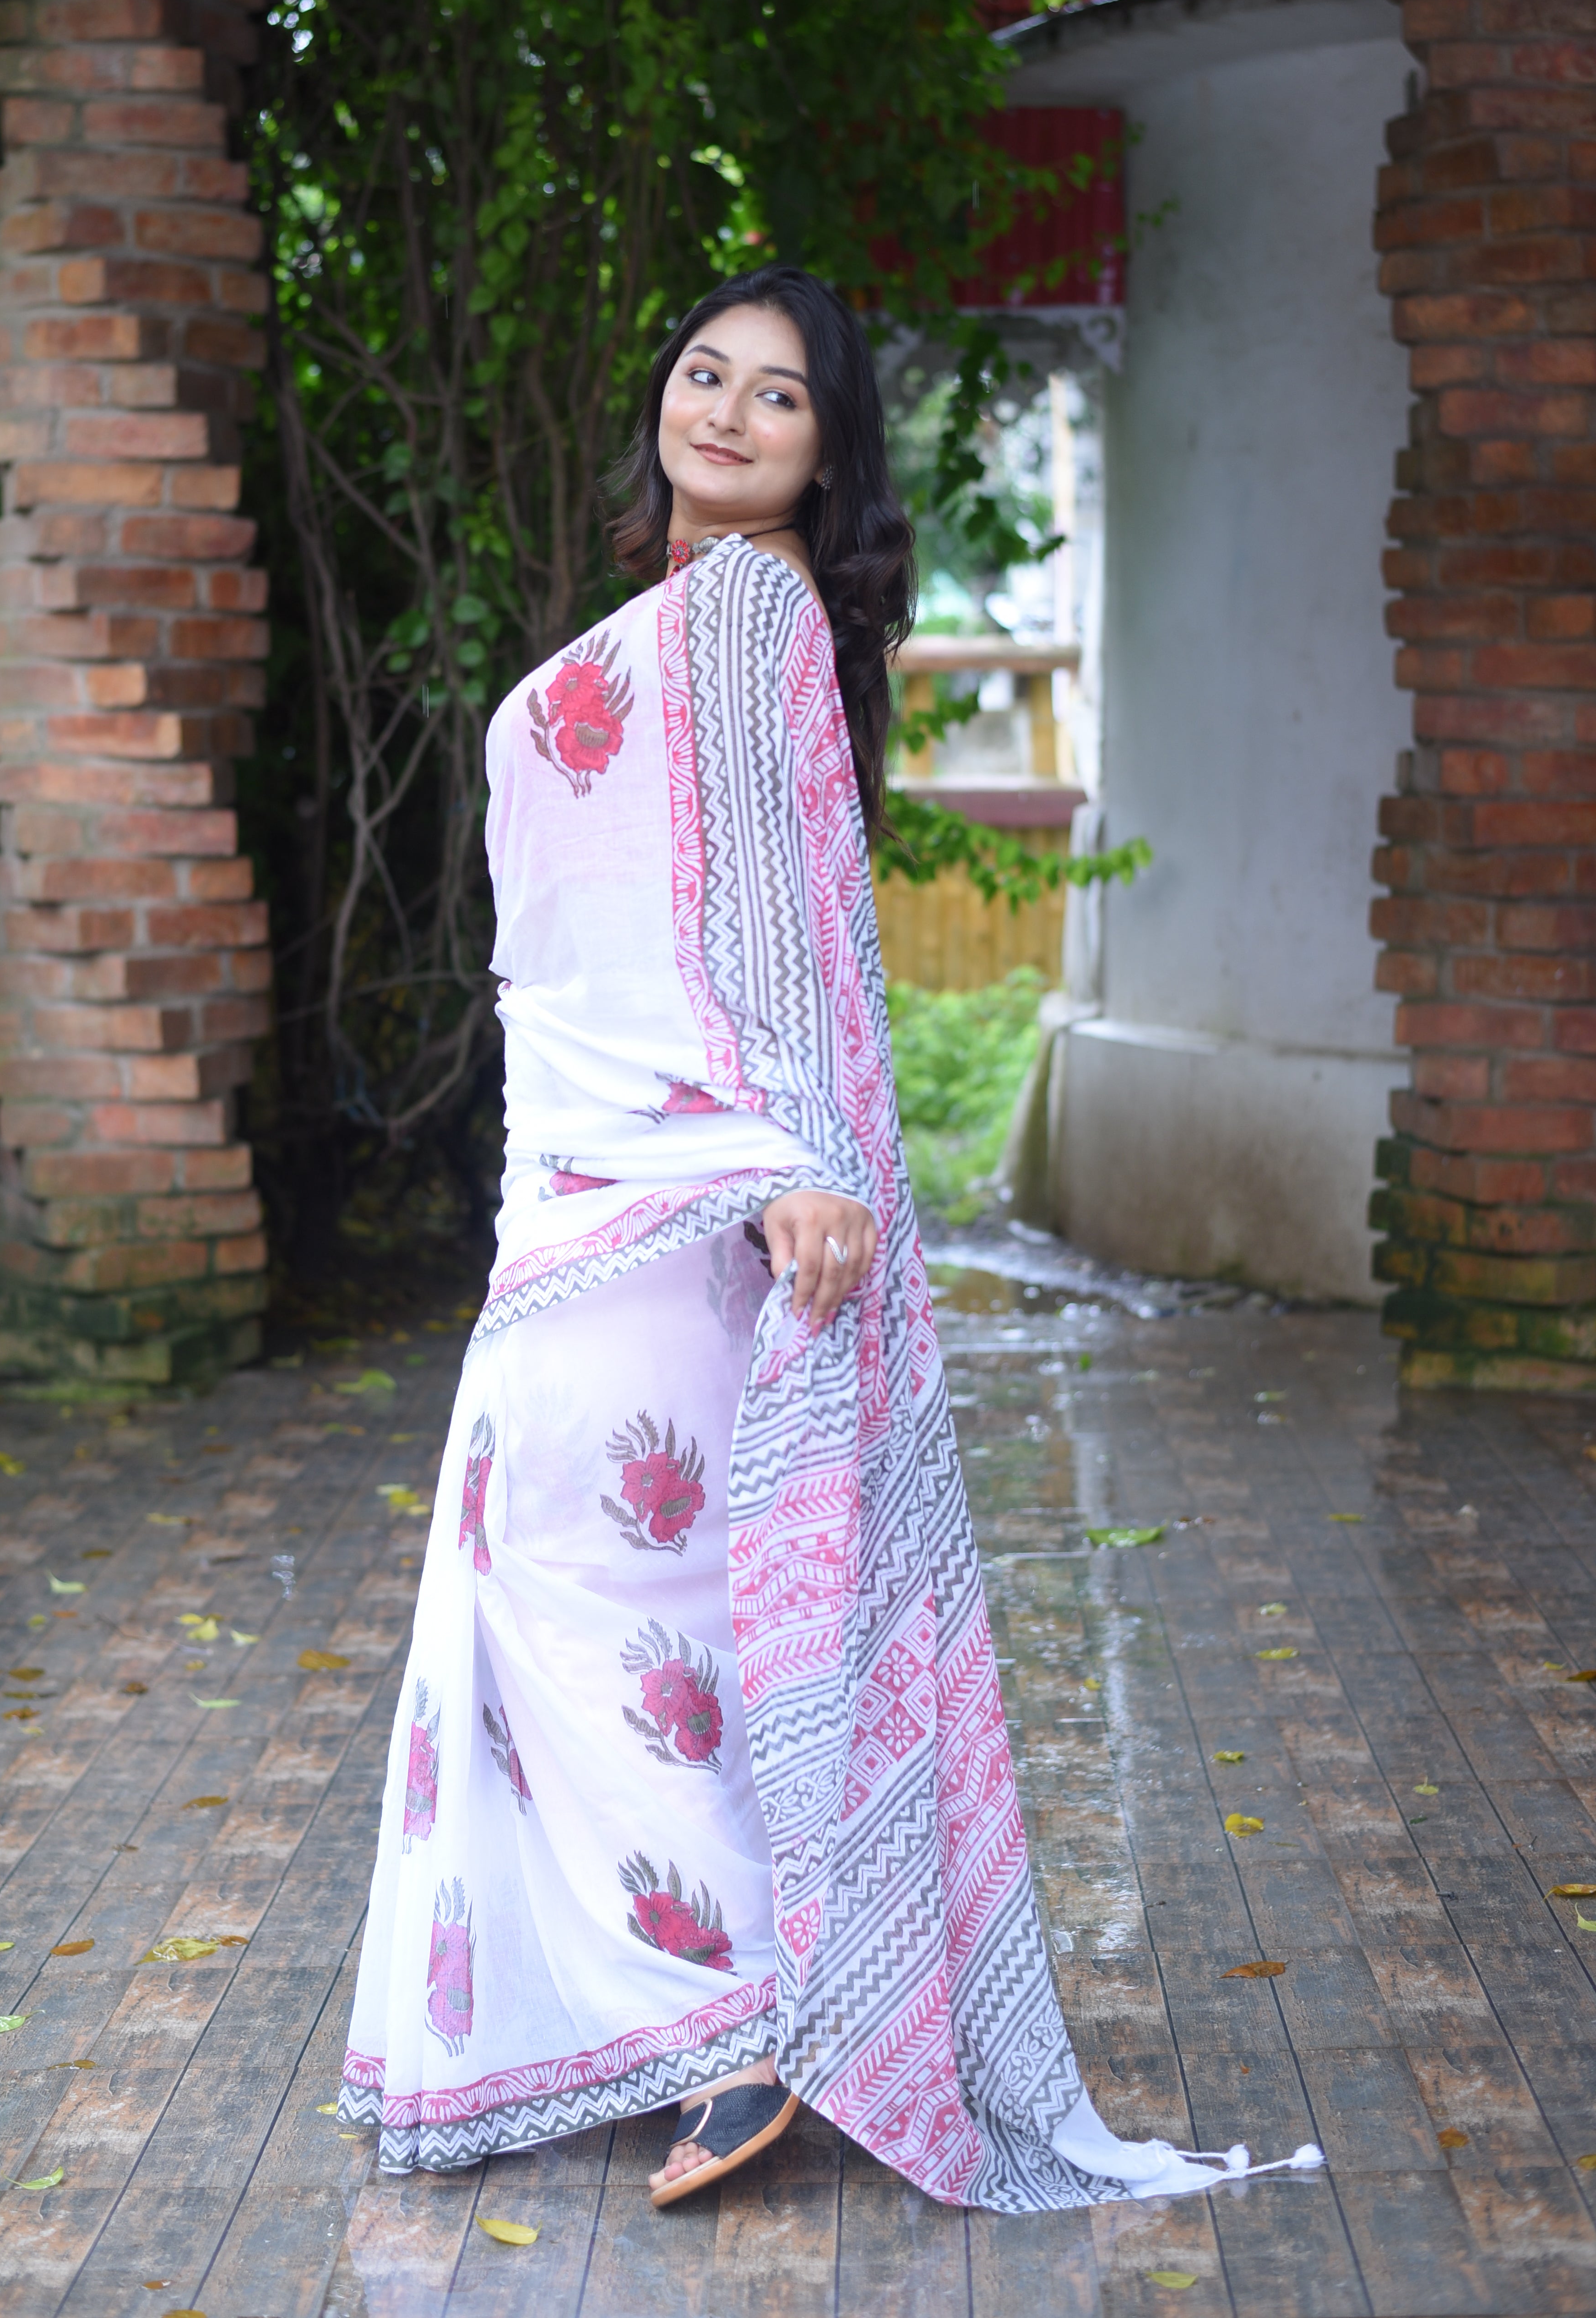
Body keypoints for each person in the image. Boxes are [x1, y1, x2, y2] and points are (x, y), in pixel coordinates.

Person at [338, 265, 1306, 2212]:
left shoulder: (751, 611)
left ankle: (733, 2019)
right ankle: (722, 2003)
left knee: (578, 1582)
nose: (724, 409)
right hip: (591, 1168)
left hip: (680, 1180)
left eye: (775, 396)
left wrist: (787, 1155)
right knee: (613, 1590)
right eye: (703, 372)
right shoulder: (700, 612)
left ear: (824, 455)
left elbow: (770, 922)